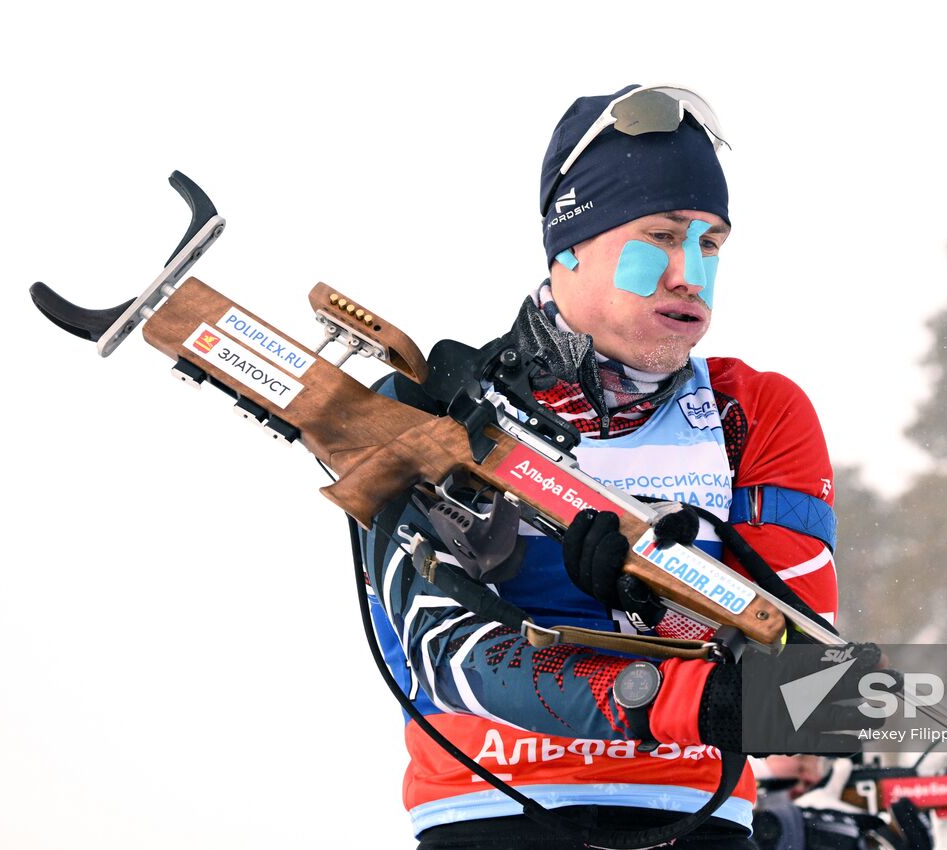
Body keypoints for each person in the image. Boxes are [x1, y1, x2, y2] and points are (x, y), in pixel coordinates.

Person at [359, 84, 859, 849]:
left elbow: (811, 687)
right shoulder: (436, 410)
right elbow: (434, 651)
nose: (691, 272)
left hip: (695, 817)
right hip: (492, 809)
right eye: (660, 236)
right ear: (567, 245)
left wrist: (656, 605)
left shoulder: (755, 411)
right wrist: (665, 686)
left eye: (711, 243)